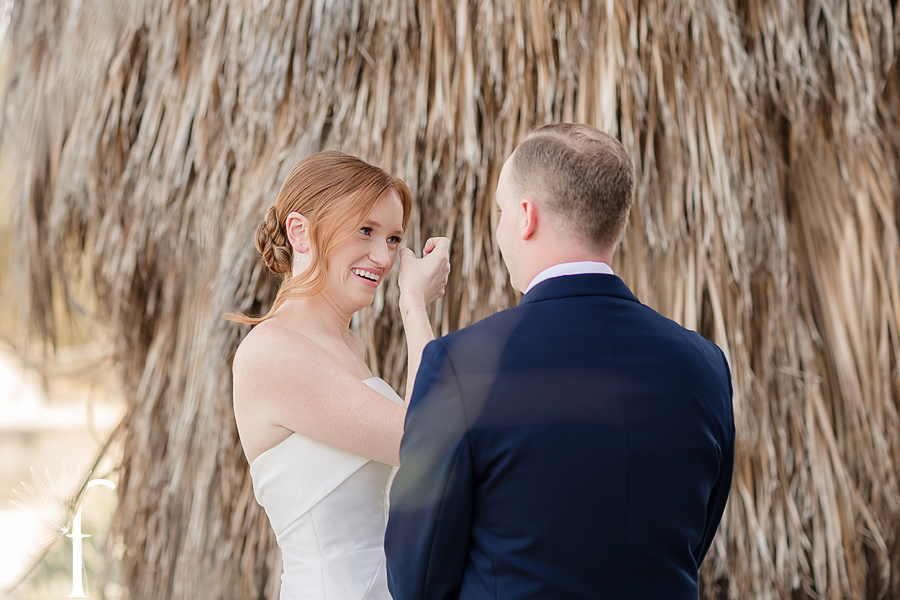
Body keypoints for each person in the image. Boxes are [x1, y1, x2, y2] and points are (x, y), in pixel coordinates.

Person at [385, 124, 735, 599]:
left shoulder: (461, 366)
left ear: (527, 217)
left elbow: (417, 579)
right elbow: (695, 538)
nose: (501, 226)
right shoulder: (704, 366)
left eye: (501, 210)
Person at [230, 150, 450, 600]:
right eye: (365, 230)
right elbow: (423, 441)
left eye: (393, 238)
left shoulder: (350, 346)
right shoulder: (271, 352)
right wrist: (413, 305)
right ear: (300, 232)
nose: (384, 257)